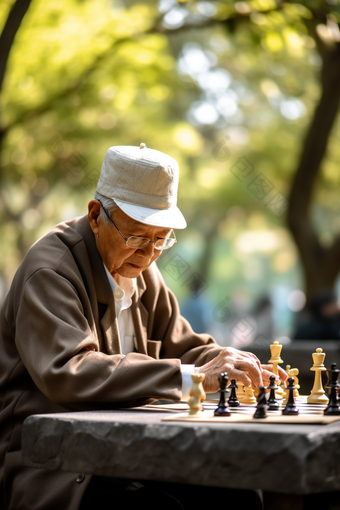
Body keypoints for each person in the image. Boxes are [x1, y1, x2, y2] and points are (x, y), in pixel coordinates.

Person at [0, 143, 286, 510]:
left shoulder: (144, 271)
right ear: (94, 215)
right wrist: (191, 377)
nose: (148, 254)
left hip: (127, 451)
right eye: (136, 236)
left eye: (160, 239)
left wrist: (229, 361)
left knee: (237, 495)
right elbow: (69, 371)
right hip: (58, 462)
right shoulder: (51, 270)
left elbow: (184, 347)